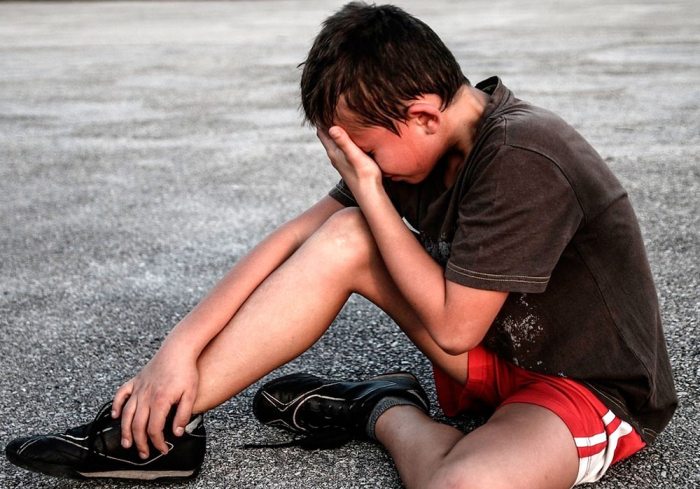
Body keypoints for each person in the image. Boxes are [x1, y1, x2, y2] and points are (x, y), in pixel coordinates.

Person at [5, 2, 677, 487]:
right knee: (345, 233)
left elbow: (454, 326)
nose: (363, 168)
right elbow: (293, 241)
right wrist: (175, 352)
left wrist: (370, 190)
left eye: (367, 153)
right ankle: (153, 432)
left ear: (422, 113)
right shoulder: (417, 146)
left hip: (585, 385)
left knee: (461, 484)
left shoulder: (525, 155)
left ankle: (382, 408)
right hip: (492, 352)